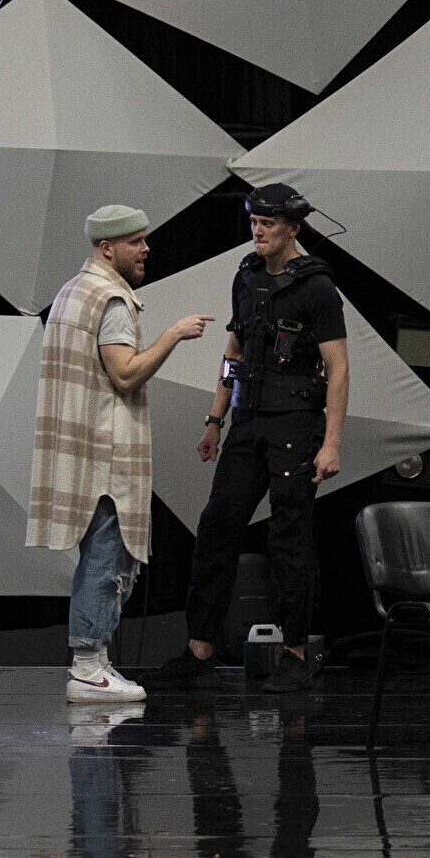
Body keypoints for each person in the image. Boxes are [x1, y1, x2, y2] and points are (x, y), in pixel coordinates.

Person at [156, 184, 351, 694]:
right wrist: (214, 419)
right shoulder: (246, 276)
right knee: (217, 528)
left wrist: (331, 443)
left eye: (267, 224)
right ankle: (200, 649)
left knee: (289, 538)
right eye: (253, 222)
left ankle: (296, 653)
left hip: (295, 425)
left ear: (293, 228)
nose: (257, 231)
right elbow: (234, 350)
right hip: (246, 422)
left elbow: (338, 367)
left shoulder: (317, 287)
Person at [25, 204, 214, 704]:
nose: (146, 249)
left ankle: (94, 662)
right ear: (107, 248)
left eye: (145, 239)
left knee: (101, 556)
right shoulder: (110, 299)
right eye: (136, 241)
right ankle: (88, 667)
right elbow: (125, 373)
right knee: (108, 560)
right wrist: (173, 334)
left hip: (84, 447)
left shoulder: (73, 290)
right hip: (106, 453)